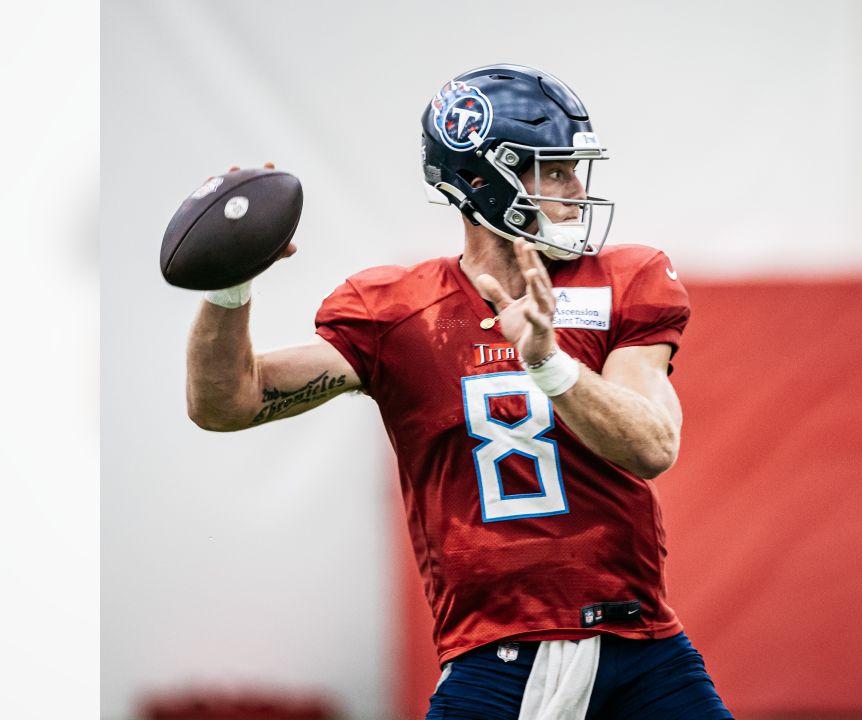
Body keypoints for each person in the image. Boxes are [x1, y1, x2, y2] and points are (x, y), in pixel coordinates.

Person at [184, 64, 733, 719]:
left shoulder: (625, 278)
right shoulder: (399, 312)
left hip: (643, 647)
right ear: (482, 180)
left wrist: (549, 365)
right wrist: (230, 286)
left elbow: (651, 444)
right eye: (553, 170)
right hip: (497, 655)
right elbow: (228, 403)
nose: (574, 188)